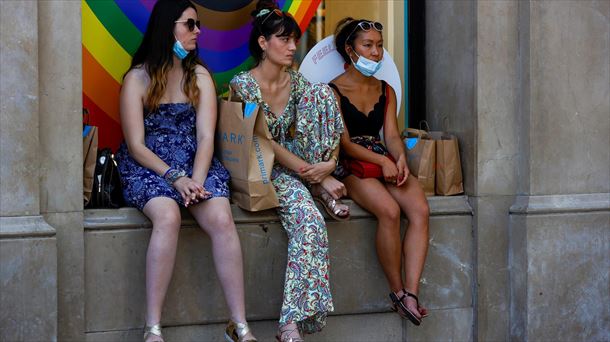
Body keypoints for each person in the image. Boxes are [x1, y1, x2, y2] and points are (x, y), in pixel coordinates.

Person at [114, 1, 256, 341]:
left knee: (222, 218)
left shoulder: (200, 76)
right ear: (168, 28)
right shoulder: (137, 79)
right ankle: (153, 329)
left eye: (197, 25)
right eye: (189, 25)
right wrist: (173, 177)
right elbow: (136, 145)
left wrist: (194, 177)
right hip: (151, 166)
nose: (198, 32)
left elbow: (207, 136)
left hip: (196, 163)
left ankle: (240, 326)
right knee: (167, 216)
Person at [230, 1, 348, 341]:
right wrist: (320, 175)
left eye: (295, 39)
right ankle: (289, 324)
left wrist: (329, 161)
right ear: (263, 43)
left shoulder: (298, 83)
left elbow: (325, 126)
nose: (293, 47)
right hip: (267, 172)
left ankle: (321, 183)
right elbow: (262, 142)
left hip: (304, 166)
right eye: (284, 40)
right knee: (310, 224)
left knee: (323, 95)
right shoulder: (243, 85)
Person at [329, 17, 430, 326]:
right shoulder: (331, 90)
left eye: (379, 46)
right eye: (367, 45)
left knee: (421, 210)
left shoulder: (386, 90)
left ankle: (412, 293)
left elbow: (392, 136)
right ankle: (397, 292)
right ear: (350, 49)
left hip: (383, 158)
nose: (376, 53)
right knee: (388, 211)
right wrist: (383, 162)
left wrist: (399, 160)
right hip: (353, 165)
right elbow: (343, 143)